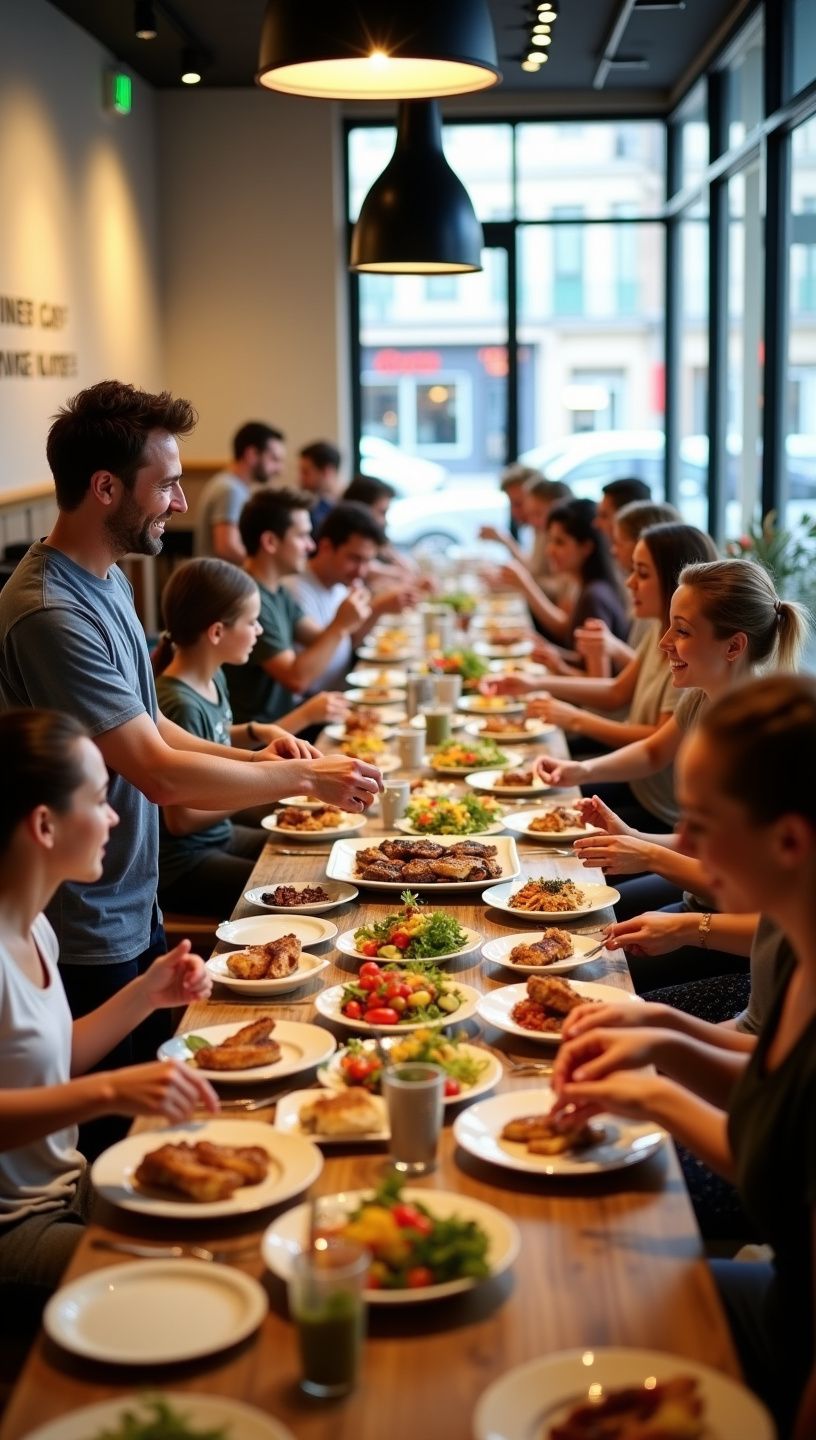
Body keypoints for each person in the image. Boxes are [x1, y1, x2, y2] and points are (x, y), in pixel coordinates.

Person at [0, 381, 382, 1059]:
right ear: (106, 489)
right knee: (119, 1126)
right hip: (85, 915)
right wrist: (303, 782)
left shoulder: (109, 577)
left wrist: (260, 761)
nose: (180, 502)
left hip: (130, 891)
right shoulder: (49, 612)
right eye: (167, 484)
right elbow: (158, 775)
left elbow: (150, 725)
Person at [553, 674, 816, 1439]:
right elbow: (784, 1103)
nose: (684, 850)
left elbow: (770, 1164)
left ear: (790, 840)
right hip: (778, 1294)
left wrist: (658, 1095)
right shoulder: (800, 951)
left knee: (583, 1278)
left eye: (700, 823)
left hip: (793, 1345)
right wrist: (662, 1037)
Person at [0, 709, 218, 1314]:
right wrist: (109, 1092)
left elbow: (49, 1057)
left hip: (68, 1185)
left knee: (226, 1225)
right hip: (16, 1231)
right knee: (182, 1291)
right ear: (44, 824)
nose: (116, 816)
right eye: (99, 800)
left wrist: (146, 993)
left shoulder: (36, 928)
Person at [535, 559, 808, 982]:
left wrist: (648, 853)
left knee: (585, 963)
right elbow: (655, 758)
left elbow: (753, 899)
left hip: (736, 943)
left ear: (733, 647)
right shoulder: (704, 698)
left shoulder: (766, 746)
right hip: (699, 905)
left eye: (681, 631)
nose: (664, 642)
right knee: (573, 919)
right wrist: (633, 837)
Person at [151, 559, 347, 914]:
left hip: (219, 836)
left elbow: (216, 736)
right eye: (251, 622)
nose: (259, 631)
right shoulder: (177, 701)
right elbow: (181, 820)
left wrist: (258, 731)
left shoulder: (212, 678)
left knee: (320, 858)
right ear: (216, 633)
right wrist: (256, 786)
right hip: (186, 863)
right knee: (301, 892)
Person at [522, 523, 718, 830]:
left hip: (660, 812)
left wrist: (573, 717)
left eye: (640, 572)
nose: (628, 583)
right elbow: (620, 695)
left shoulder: (697, 671)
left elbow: (708, 855)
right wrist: (536, 682)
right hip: (644, 793)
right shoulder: (669, 642)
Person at [223, 487, 373, 726]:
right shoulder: (248, 598)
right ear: (270, 541)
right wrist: (340, 626)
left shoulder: (277, 590)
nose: (311, 546)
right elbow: (297, 678)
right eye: (302, 536)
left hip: (284, 727)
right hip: (258, 741)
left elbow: (318, 639)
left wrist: (351, 617)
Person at [284, 502, 420, 693]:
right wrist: (346, 622)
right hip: (315, 705)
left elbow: (348, 641)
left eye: (367, 561)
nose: (362, 571)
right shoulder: (295, 590)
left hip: (343, 690)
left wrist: (379, 609)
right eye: (354, 559)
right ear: (326, 547)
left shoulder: (341, 584)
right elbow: (299, 681)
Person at [493, 498, 629, 667]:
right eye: (550, 540)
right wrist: (548, 649)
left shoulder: (594, 597)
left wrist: (557, 666)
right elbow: (580, 656)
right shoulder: (581, 583)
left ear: (586, 547)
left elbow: (599, 682)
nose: (549, 550)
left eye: (560, 542)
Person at [194, 421, 286, 562]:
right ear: (252, 454)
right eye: (274, 459)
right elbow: (226, 547)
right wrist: (264, 566)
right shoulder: (230, 490)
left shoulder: (232, 486)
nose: (279, 469)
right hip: (219, 581)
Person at [297, 440, 343, 531]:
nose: (300, 479)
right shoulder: (306, 508)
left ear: (326, 472)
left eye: (305, 472)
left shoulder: (347, 508)